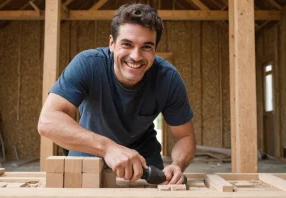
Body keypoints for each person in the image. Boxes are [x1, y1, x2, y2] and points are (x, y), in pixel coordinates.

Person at [38, 3, 195, 184]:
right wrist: (108, 148)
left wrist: (177, 164)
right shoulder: (87, 64)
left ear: (155, 50)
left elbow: (185, 136)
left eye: (146, 47)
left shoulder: (168, 78)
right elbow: (48, 121)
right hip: (88, 153)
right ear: (112, 44)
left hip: (144, 163)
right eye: (127, 44)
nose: (136, 56)